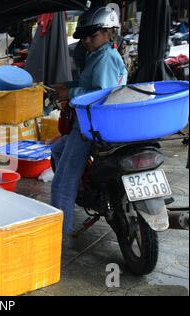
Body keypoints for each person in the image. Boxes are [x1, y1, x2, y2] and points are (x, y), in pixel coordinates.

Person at [50, 6, 128, 233]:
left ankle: (57, 235)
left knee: (62, 184)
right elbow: (93, 85)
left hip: (91, 126)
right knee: (57, 149)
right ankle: (86, 188)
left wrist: (70, 94)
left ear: (108, 33)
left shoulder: (105, 58)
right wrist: (69, 86)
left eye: (92, 36)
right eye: (84, 36)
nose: (86, 41)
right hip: (92, 123)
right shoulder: (100, 55)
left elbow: (102, 94)